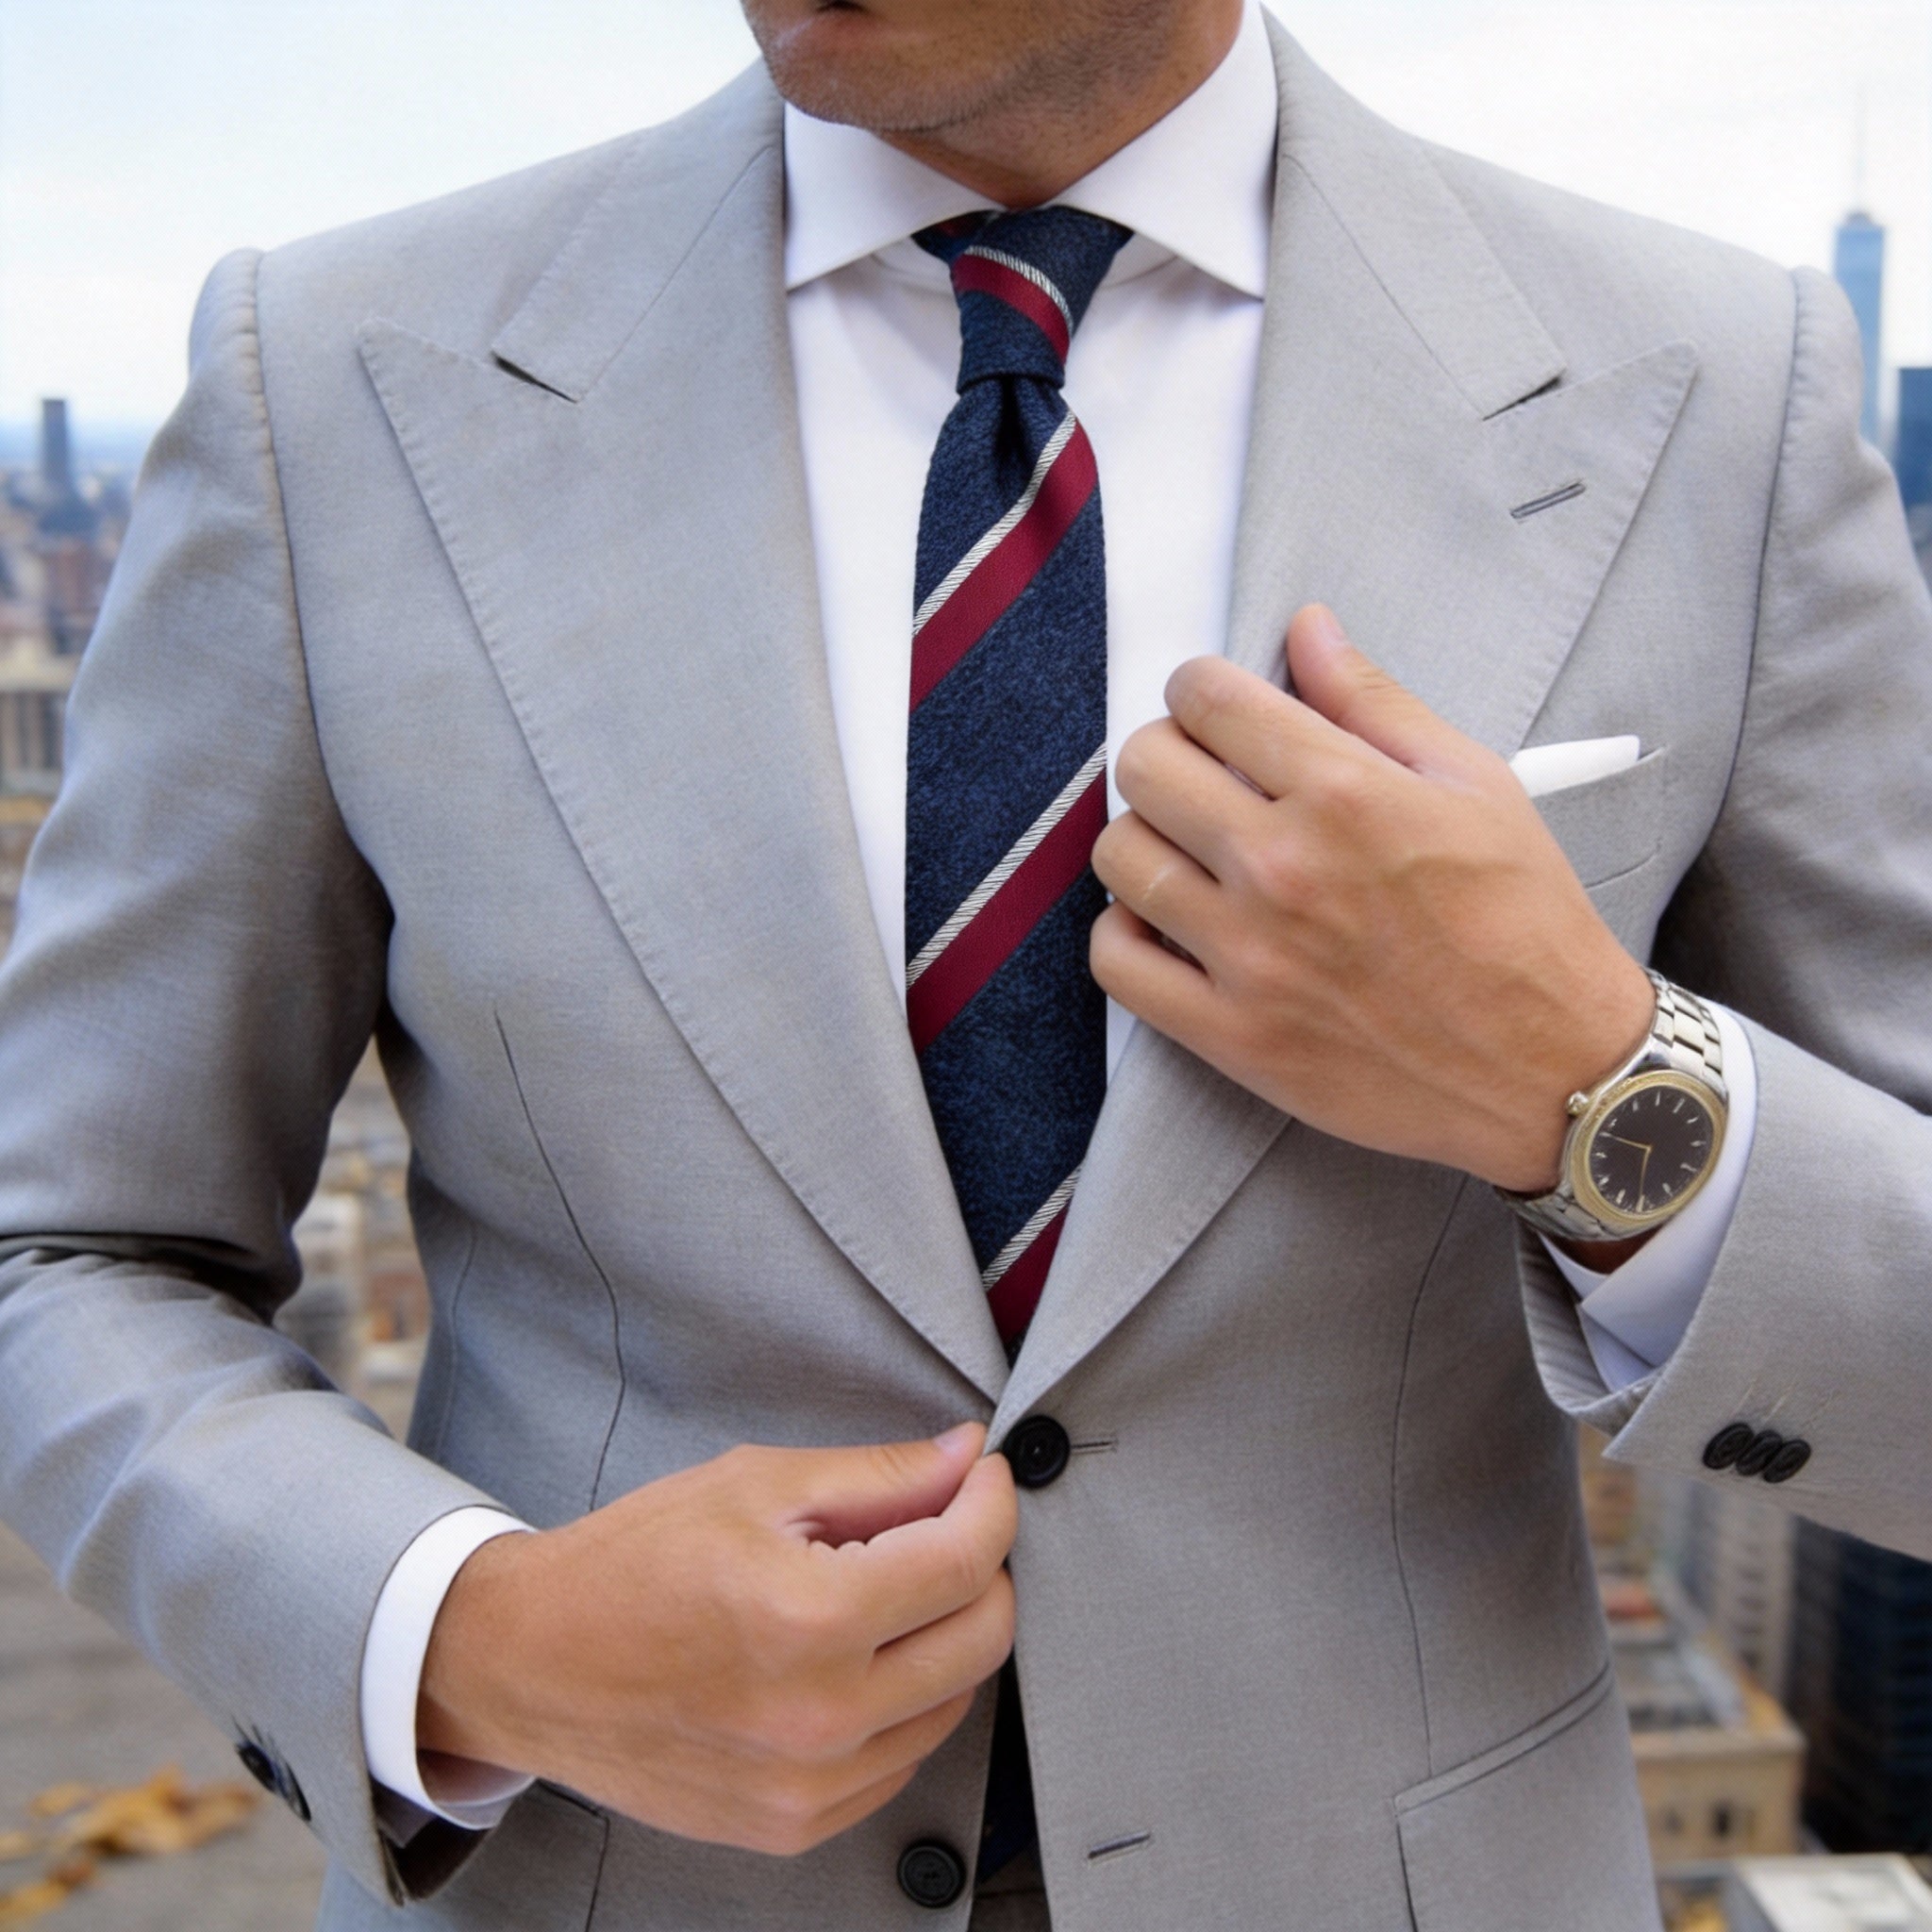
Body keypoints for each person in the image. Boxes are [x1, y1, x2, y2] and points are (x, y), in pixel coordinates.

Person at [2, 0, 1929, 1925]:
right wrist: (473, 1635)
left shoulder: (1715, 395)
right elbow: (69, 1249)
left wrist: (1595, 1088)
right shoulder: (331, 384)